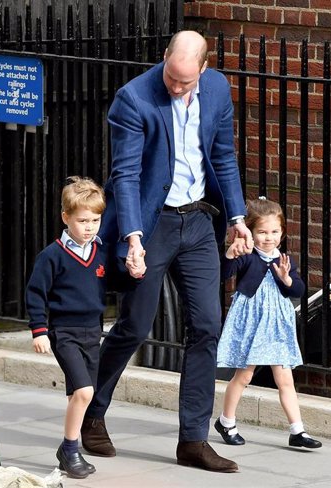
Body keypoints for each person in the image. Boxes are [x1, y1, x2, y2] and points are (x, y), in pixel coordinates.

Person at [80, 30, 253, 473]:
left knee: (207, 326)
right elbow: (127, 175)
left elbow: (225, 156)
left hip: (198, 221)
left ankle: (192, 441)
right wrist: (132, 237)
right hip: (153, 225)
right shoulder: (133, 99)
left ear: (204, 68)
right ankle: (90, 410)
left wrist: (236, 218)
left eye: (186, 82)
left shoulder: (216, 89)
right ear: (164, 59)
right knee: (135, 326)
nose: (176, 88)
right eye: (172, 79)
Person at [214, 197, 322, 450]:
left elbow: (299, 289)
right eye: (262, 232)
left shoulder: (284, 260)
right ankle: (226, 421)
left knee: (285, 379)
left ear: (282, 233)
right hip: (252, 322)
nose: (268, 237)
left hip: (277, 325)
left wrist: (286, 279)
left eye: (274, 231)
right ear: (250, 232)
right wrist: (230, 253)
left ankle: (298, 431)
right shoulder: (247, 255)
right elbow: (223, 274)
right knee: (244, 375)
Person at [25, 176, 108, 479]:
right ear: (66, 217)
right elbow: (35, 293)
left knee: (81, 394)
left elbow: (114, 283)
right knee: (84, 392)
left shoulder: (101, 252)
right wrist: (39, 330)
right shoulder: (53, 255)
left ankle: (69, 450)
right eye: (83, 220)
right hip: (65, 333)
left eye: (96, 220)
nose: (90, 226)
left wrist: (135, 271)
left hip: (92, 333)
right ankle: (70, 449)